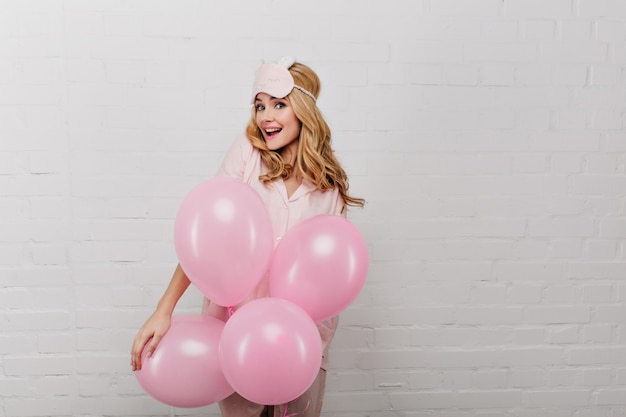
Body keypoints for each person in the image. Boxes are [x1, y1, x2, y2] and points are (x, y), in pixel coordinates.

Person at [130, 56, 365, 417]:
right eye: (259, 105)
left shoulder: (328, 186)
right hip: (235, 337)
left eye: (279, 104)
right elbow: (206, 238)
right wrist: (164, 310)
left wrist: (310, 347)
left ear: (303, 109)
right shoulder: (247, 154)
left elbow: (330, 276)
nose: (266, 116)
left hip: (299, 345)